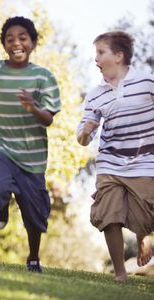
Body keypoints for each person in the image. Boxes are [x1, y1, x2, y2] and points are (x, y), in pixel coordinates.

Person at [0, 16, 61, 272]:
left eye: (23, 38)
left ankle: (33, 256)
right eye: (10, 39)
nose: (16, 43)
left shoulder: (44, 77)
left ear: (33, 43)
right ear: (4, 44)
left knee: (34, 212)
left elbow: (49, 119)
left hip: (33, 157)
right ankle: (0, 206)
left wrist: (32, 106)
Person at [77, 31, 154, 283]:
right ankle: (120, 272)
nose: (95, 59)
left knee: (146, 217)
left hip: (144, 162)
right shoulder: (96, 94)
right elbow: (83, 134)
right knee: (109, 215)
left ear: (118, 56)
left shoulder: (146, 83)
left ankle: (144, 234)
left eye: (100, 52)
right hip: (109, 162)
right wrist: (86, 133)